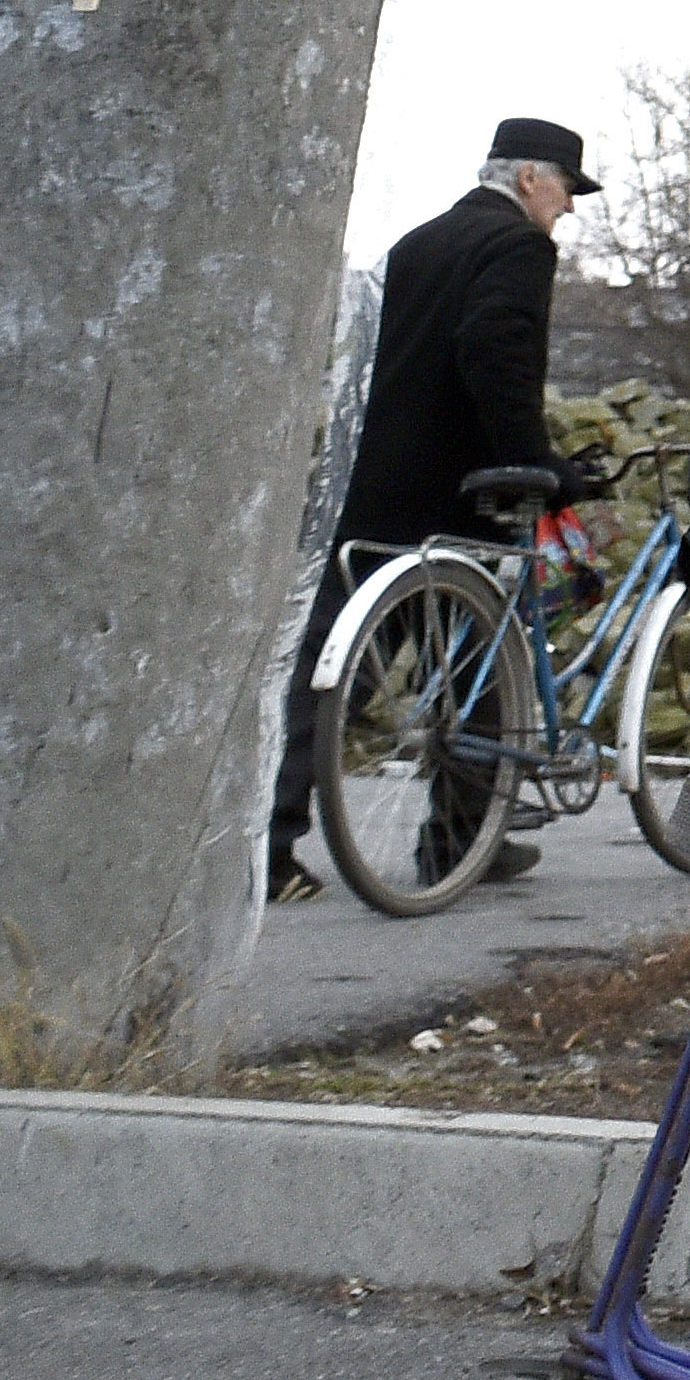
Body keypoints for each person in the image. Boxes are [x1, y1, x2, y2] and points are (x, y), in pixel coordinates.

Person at [271, 115, 594, 902]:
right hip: (458, 499)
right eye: (565, 190)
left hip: (375, 489)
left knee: (332, 678)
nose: (569, 208)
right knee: (483, 676)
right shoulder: (518, 246)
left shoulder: (415, 243)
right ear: (528, 180)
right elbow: (498, 352)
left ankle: (267, 849)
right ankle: (455, 845)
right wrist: (533, 466)